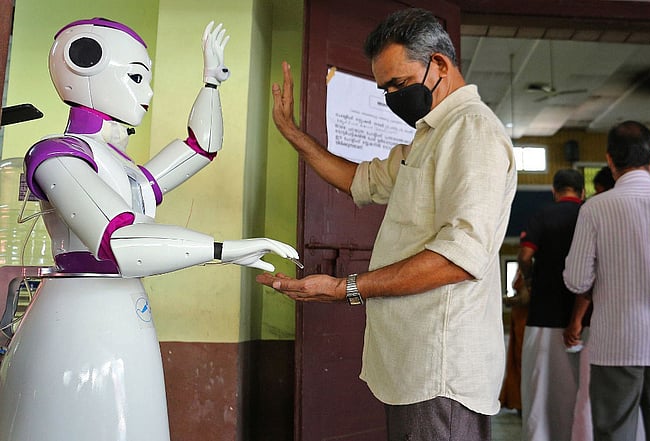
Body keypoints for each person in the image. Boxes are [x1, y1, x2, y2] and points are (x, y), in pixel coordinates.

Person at [0, 18, 298, 440]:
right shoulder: (57, 155)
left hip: (125, 314)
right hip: (75, 324)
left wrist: (211, 82)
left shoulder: (124, 170)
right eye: (136, 78)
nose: (148, 93)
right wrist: (223, 249)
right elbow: (118, 239)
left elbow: (200, 147)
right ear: (84, 62)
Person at [257, 8, 516, 440]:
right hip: (415, 366)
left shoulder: (472, 131)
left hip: (439, 372)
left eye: (399, 84)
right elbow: (359, 179)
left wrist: (346, 288)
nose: (392, 97)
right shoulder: (432, 133)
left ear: (439, 64)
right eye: (385, 89)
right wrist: (292, 132)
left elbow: (461, 256)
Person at [564, 121, 650, 441]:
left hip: (615, 345)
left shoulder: (595, 208)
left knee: (614, 435)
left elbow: (576, 280)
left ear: (610, 160)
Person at [517, 168, 587, 441]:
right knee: (580, 388)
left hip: (544, 312)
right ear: (582, 192)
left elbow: (525, 254)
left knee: (541, 389)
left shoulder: (542, 215)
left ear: (554, 191)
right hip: (584, 317)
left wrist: (531, 279)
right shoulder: (588, 213)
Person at [499, 268, 529, 413]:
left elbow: (525, 298)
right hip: (518, 319)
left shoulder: (529, 270)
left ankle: (522, 401)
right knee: (517, 361)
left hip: (525, 319)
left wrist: (508, 300)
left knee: (521, 361)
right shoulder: (521, 270)